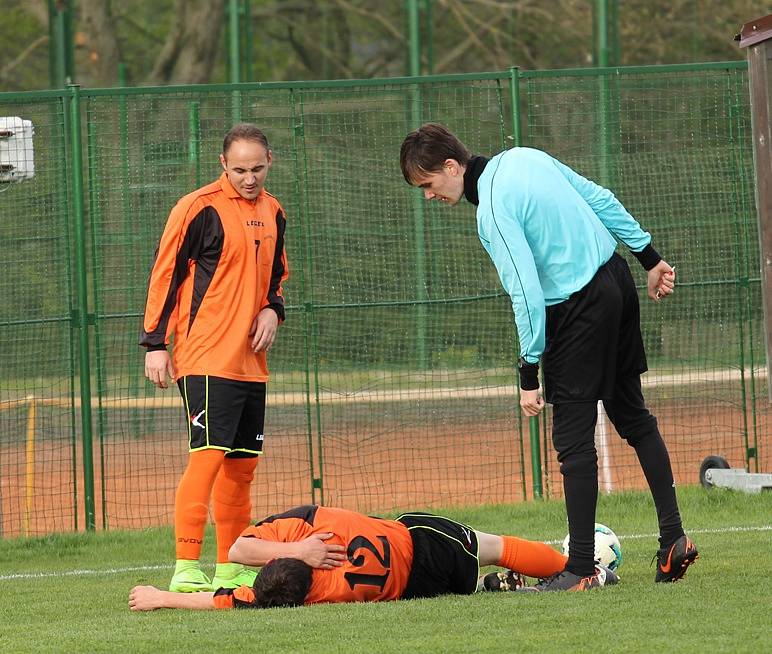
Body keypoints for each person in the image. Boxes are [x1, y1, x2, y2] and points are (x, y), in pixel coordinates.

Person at [397, 123, 698, 592]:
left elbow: (526, 291)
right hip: (615, 280)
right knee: (633, 416)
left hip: (578, 309)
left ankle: (579, 568)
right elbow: (600, 197)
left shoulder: (491, 212)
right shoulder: (523, 156)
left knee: (573, 443)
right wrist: (649, 257)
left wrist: (528, 370)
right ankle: (673, 538)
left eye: (428, 186)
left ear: (451, 168)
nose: (429, 197)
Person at [140, 123, 289, 593]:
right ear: (223, 164)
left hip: (251, 361)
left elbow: (276, 278)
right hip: (204, 356)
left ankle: (230, 565)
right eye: (240, 169)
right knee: (207, 457)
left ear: (271, 162)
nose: (249, 178)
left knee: (242, 467)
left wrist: (272, 310)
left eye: (257, 169)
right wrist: (156, 343)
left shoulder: (275, 212)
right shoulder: (198, 208)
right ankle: (186, 568)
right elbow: (164, 274)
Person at [129, 503, 610, 610]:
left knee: (481, 572)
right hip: (421, 541)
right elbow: (239, 548)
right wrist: (302, 546)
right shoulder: (311, 525)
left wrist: (158, 597)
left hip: (414, 589)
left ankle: (506, 586)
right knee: (497, 548)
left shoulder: (311, 597)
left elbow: (219, 599)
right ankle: (579, 569)